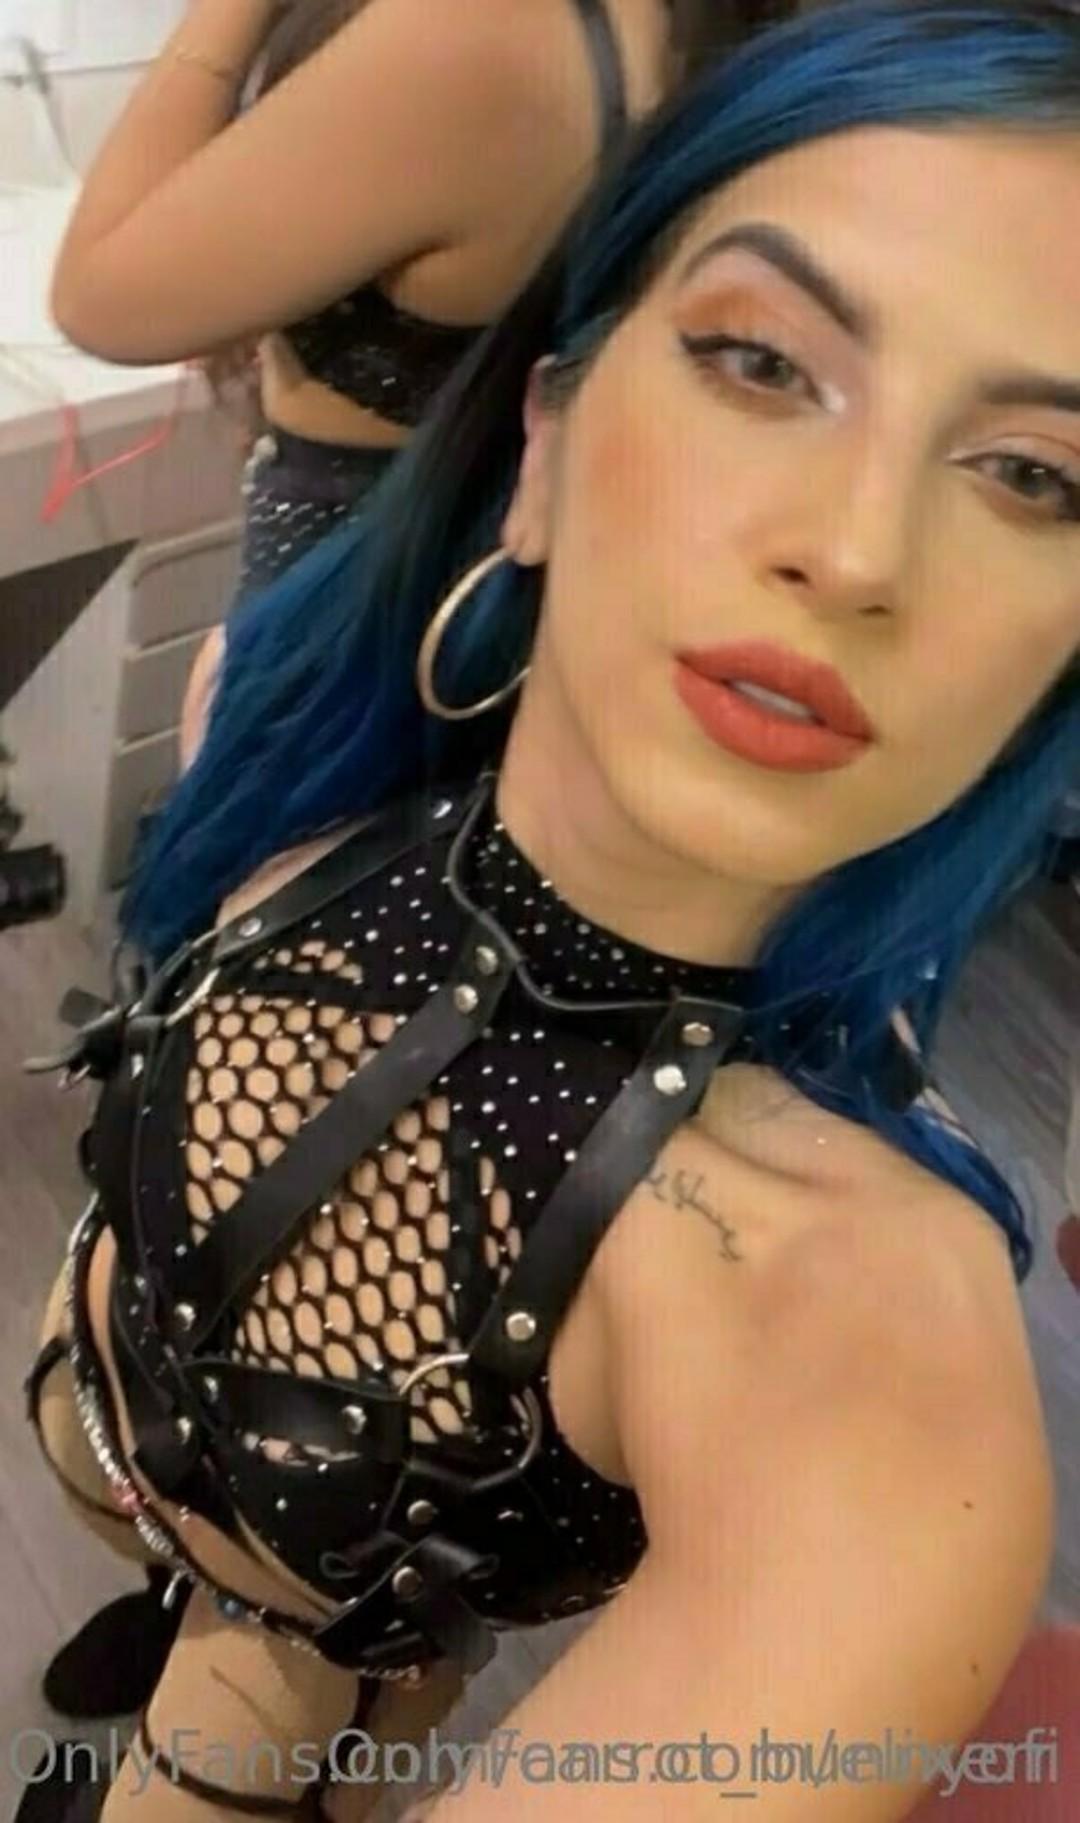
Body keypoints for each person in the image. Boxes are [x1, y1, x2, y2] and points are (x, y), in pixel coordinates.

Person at [23, 1, 1080, 1816]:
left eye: (1038, 474)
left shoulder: (857, 1371)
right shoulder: (286, 772)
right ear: (548, 436)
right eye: (763, 361)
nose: (855, 548)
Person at [48, 0, 761, 599]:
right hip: (475, 589)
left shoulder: (478, 37)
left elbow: (101, 301)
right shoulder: (663, 28)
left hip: (350, 615)